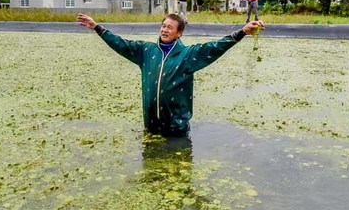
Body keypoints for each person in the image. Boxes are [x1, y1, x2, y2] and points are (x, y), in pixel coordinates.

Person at [77, 13, 264, 137]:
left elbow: (214, 47)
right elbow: (120, 43)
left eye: (170, 27)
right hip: (151, 127)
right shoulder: (146, 51)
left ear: (179, 33)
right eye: (163, 26)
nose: (165, 30)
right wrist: (97, 27)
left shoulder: (187, 55)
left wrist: (242, 32)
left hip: (176, 130)